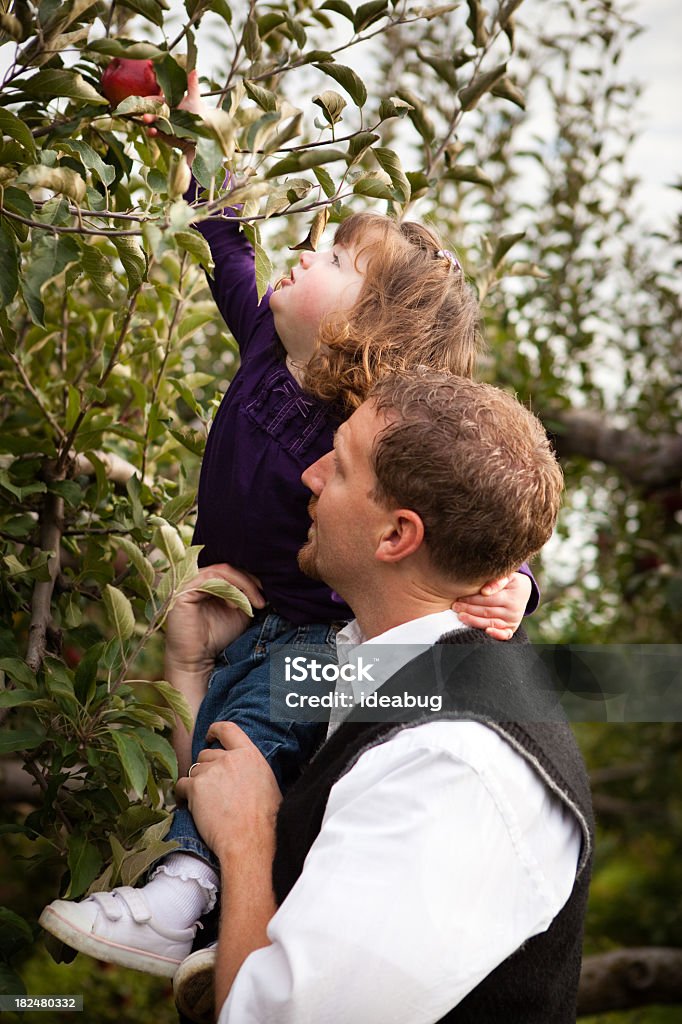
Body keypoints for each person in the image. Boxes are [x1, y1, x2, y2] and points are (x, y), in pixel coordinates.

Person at [39, 74, 538, 975]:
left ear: (369, 330)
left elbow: (480, 489)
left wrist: (513, 583)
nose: (306, 253)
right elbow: (224, 236)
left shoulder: (378, 419)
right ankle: (219, 918)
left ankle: (181, 899)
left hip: (324, 630)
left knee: (251, 741)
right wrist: (188, 132)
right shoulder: (268, 340)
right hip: (241, 612)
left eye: (337, 260)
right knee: (210, 730)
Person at [172, 371, 594, 1024]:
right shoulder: (371, 661)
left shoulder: (455, 767)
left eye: (338, 466)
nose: (307, 477)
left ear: (397, 536)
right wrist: (192, 665)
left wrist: (250, 841)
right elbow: (221, 784)